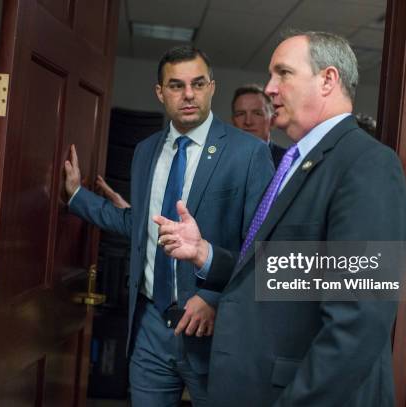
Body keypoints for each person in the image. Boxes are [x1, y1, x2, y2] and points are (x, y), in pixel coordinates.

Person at [154, 31, 406, 407]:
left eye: (283, 74)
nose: (270, 89)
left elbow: (357, 322)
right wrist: (204, 252)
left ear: (328, 80)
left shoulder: (367, 165)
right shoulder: (294, 162)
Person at [64, 45, 273, 406]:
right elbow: (142, 226)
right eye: (176, 86)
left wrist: (213, 297)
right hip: (149, 324)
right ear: (161, 93)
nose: (188, 94)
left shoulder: (248, 152)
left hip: (213, 329)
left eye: (198, 83)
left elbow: (262, 246)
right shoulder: (145, 151)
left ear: (212, 87)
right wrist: (76, 196)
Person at [231, 84, 286, 165]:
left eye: (257, 113)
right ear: (233, 121)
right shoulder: (219, 160)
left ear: (272, 121)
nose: (248, 122)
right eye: (241, 114)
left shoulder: (288, 163)